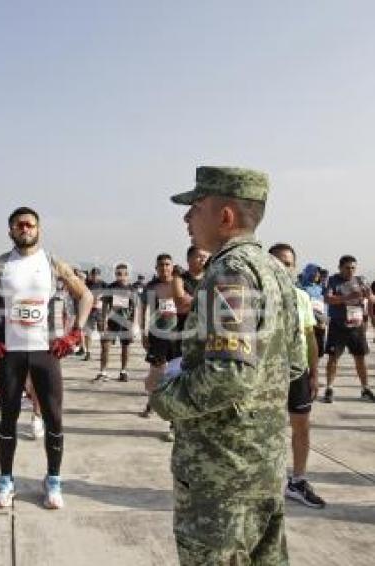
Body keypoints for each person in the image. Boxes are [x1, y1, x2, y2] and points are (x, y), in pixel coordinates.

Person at [148, 166, 304, 564]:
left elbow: (229, 374)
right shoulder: (276, 272)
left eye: (195, 208)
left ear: (225, 217)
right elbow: (296, 364)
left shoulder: (229, 272)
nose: (186, 218)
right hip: (262, 464)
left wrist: (164, 395)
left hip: (221, 475)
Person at [0, 206, 93, 510]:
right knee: (7, 419)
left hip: (45, 352)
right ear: (10, 230)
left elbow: (85, 296)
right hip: (10, 353)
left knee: (54, 418)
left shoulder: (52, 263)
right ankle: (6, 481)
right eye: (19, 225)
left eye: (30, 225)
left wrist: (75, 333)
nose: (25, 229)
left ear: (39, 229)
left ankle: (53, 480)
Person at [268, 243, 326, 509]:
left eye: (288, 263)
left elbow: (310, 337)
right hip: (266, 375)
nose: (283, 267)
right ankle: (264, 482)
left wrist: (314, 373)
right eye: (278, 261)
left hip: (297, 372)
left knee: (301, 427)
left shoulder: (301, 297)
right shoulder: (257, 297)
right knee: (266, 429)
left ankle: (298, 481)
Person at [323, 255, 373, 403]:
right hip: (338, 325)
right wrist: (348, 296)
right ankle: (329, 388)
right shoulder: (333, 280)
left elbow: (372, 299)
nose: (351, 271)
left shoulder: (361, 280)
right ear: (340, 268)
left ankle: (365, 388)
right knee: (333, 358)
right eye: (347, 268)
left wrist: (368, 298)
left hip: (356, 326)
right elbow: (327, 299)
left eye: (353, 268)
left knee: (360, 358)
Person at [139, 254, 180, 431]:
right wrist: (143, 333)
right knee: (156, 373)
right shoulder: (151, 288)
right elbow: (142, 311)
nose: (164, 268)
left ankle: (174, 420)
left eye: (167, 264)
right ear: (156, 268)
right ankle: (152, 403)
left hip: (178, 337)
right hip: (158, 337)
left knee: (176, 375)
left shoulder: (180, 284)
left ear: (172, 266)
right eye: (161, 265)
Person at [99, 264, 139, 382]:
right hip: (111, 322)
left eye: (123, 274)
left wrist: (134, 324)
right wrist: (103, 321)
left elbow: (136, 308)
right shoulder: (110, 287)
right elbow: (105, 305)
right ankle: (103, 372)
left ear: (127, 275)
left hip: (126, 322)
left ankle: (123, 371)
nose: (120, 276)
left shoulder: (132, 289)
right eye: (118, 274)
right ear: (115, 274)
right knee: (105, 347)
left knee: (125, 348)